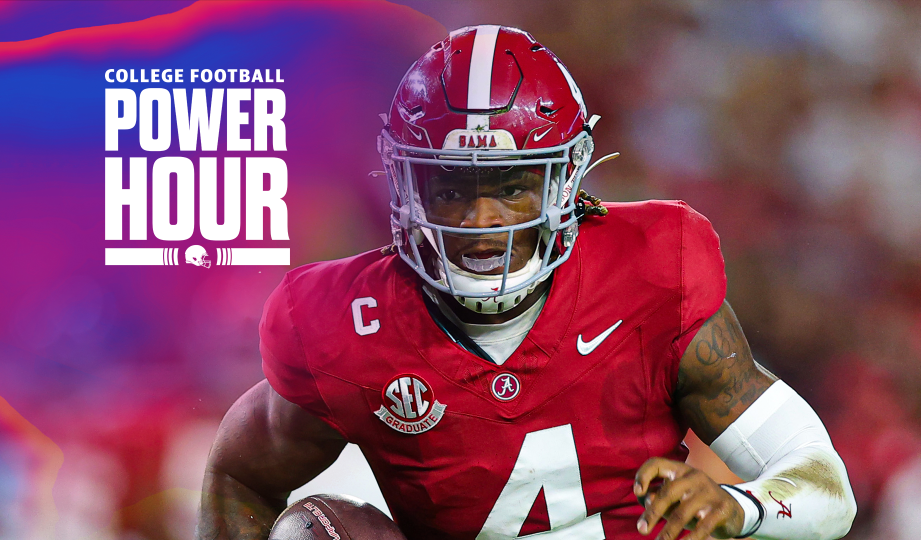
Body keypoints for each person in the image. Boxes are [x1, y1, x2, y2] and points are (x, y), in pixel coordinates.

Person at [197, 26, 856, 540]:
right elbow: (240, 477)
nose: (482, 222)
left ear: (566, 178)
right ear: (405, 185)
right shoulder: (349, 323)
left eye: (511, 187)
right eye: (452, 187)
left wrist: (742, 508)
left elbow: (826, 487)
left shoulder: (653, 273)